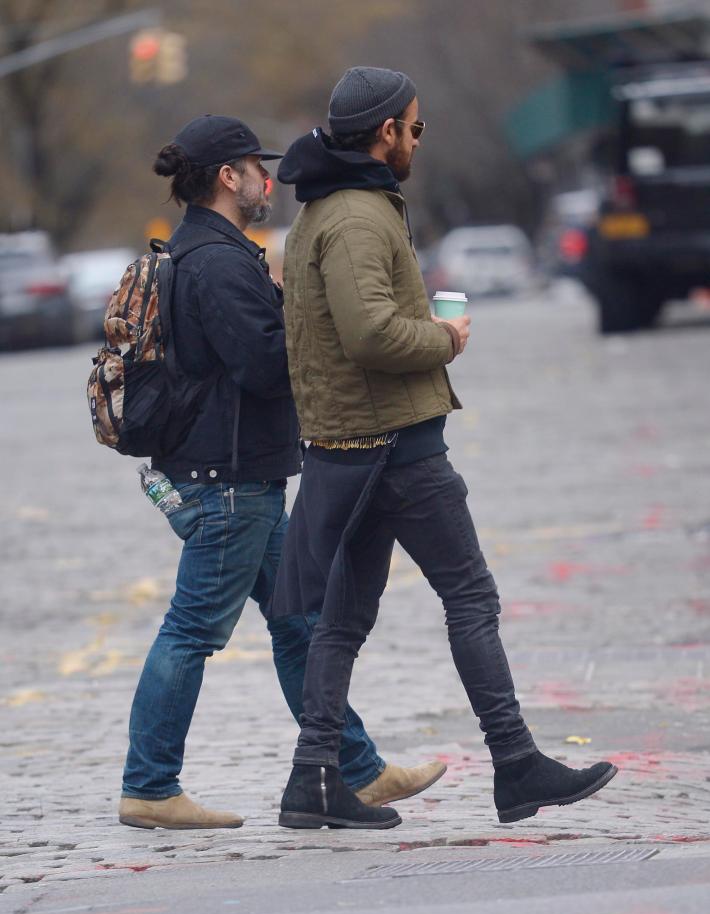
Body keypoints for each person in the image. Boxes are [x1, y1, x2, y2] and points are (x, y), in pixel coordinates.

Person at [273, 68, 618, 830]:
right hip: (396, 446)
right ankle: (516, 761)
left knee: (342, 619)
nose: (417, 142)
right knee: (471, 598)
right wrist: (443, 337)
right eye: (414, 128)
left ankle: (313, 777)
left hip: (353, 445)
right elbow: (367, 334)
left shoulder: (324, 212)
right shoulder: (359, 216)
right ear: (386, 131)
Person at [118, 114, 445, 831]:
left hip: (240, 475)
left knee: (300, 622)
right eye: (255, 167)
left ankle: (357, 767)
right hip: (227, 481)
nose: (269, 179)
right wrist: (320, 324)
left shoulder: (211, 251)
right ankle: (149, 783)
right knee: (193, 630)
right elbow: (264, 364)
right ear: (229, 178)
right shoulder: (216, 260)